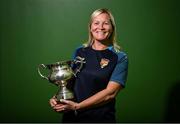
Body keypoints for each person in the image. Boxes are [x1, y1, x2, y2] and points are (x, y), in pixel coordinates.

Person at [49, 8, 128, 123]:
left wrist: (77, 106)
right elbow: (70, 82)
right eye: (96, 23)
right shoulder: (79, 51)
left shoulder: (120, 57)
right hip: (72, 118)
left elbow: (110, 93)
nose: (100, 27)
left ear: (112, 28)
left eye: (106, 23)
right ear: (90, 28)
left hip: (100, 119)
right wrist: (57, 98)